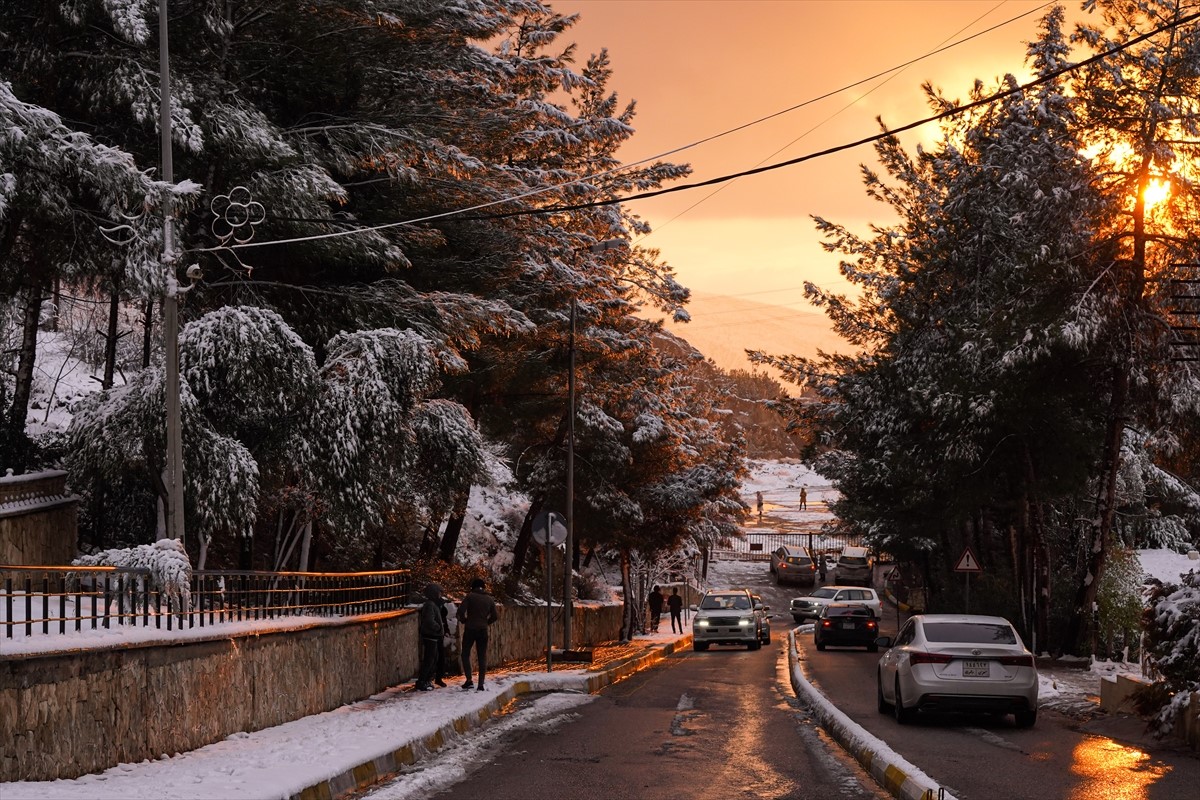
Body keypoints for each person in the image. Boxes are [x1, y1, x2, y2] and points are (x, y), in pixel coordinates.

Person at [457, 577, 498, 691]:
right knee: (482, 657)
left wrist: (464, 620)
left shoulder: (470, 597)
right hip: (483, 630)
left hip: (470, 629)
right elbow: (495, 616)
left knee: (465, 653)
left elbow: (460, 611)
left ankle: (469, 680)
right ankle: (480, 684)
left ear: (473, 587)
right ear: (484, 587)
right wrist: (486, 622)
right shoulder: (489, 599)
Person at [415, 583, 444, 691]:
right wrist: (438, 628)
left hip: (433, 636)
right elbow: (429, 620)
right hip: (431, 635)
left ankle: (427, 680)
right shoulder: (430, 605)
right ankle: (422, 681)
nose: (440, 595)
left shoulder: (433, 604)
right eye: (439, 593)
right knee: (429, 659)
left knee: (433, 658)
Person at [433, 594, 457, 688]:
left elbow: (443, 618)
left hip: (439, 634)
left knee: (440, 657)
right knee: (434, 657)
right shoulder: (432, 605)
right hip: (434, 634)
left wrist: (445, 630)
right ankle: (432, 678)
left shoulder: (439, 604)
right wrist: (440, 628)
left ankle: (438, 677)